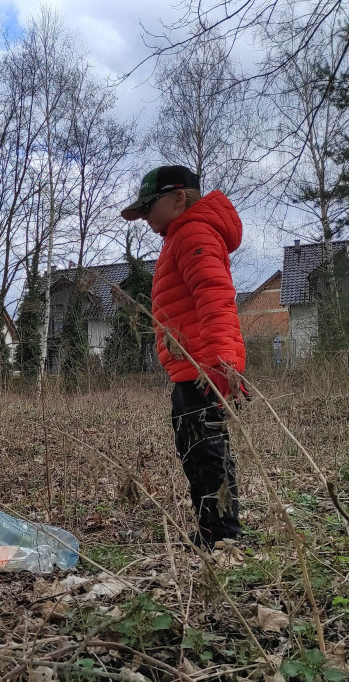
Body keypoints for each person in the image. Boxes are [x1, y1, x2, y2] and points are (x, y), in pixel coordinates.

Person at [121, 165, 246, 548]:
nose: (145, 217)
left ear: (178, 198)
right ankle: (211, 529)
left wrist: (221, 366)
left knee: (206, 452)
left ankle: (223, 536)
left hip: (203, 371)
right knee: (195, 451)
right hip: (189, 370)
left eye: (149, 207)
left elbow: (215, 297)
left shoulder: (193, 233)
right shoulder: (179, 237)